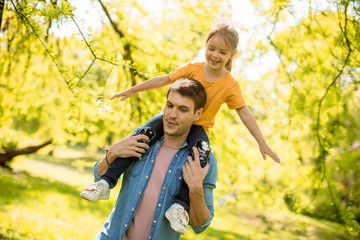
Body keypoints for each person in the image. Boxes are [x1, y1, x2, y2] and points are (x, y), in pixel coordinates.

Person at [81, 21, 281, 234]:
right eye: (211, 48)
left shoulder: (230, 85)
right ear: (205, 46)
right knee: (140, 137)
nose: (215, 55)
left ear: (232, 54)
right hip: (166, 121)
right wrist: (133, 90)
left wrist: (262, 142)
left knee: (200, 158)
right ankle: (106, 182)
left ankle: (179, 206)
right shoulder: (193, 68)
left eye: (222, 52)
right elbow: (165, 79)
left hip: (198, 127)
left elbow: (244, 112)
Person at [84, 78, 218, 239]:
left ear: (198, 114)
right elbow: (98, 177)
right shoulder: (141, 138)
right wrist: (111, 153)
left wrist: (195, 188)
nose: (172, 115)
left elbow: (200, 225)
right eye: (169, 105)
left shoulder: (204, 161)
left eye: (182, 110)